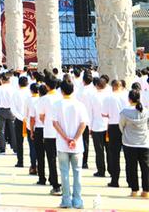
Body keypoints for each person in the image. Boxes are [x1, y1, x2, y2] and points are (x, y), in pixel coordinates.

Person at [52, 80, 88, 209]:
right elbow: (83, 124)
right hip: (76, 145)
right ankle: (77, 200)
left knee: (64, 173)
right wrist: (75, 139)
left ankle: (66, 200)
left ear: (61, 91)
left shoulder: (57, 104)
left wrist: (66, 138)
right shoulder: (80, 105)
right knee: (77, 173)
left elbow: (55, 123)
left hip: (63, 144)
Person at [119, 88, 149, 198]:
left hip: (129, 142)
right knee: (145, 167)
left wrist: (125, 133)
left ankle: (134, 190)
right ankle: (146, 190)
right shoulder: (146, 111)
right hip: (144, 142)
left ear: (129, 99)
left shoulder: (125, 112)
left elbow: (121, 126)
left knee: (131, 167)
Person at [103, 79, 128, 188]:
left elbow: (104, 113)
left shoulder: (108, 97)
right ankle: (130, 180)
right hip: (126, 126)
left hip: (113, 126)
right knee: (128, 155)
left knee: (114, 155)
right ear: (120, 86)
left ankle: (115, 180)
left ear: (112, 86)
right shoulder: (126, 96)